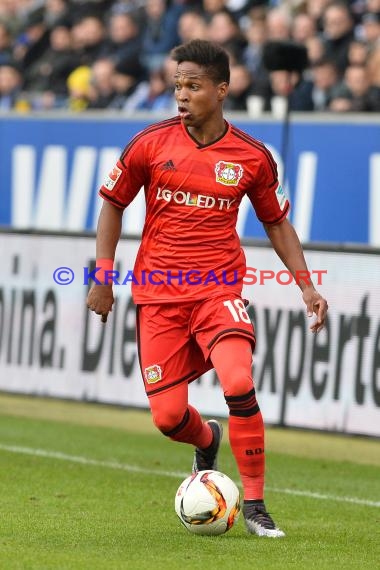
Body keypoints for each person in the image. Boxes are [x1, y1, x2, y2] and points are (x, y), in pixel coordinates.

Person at [87, 39, 328, 538]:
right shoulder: (150, 143)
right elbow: (113, 203)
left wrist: (306, 286)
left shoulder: (252, 157)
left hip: (218, 292)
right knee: (168, 417)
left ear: (222, 89)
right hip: (159, 296)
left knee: (238, 382)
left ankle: (257, 506)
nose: (181, 94)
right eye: (177, 84)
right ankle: (206, 436)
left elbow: (278, 224)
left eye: (193, 86)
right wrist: (103, 276)